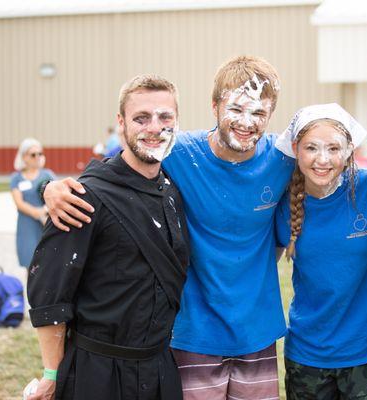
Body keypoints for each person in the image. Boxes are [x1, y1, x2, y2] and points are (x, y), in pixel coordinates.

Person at [41, 56, 294, 399]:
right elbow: (123, 162)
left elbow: (329, 160)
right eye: (236, 109)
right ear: (214, 106)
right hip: (192, 331)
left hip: (257, 332)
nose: (247, 122)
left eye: (259, 113)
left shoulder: (282, 158)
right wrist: (50, 188)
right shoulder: (177, 150)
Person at [25, 75, 190, 400]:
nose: (155, 127)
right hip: (97, 373)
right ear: (121, 122)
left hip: (159, 369)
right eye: (141, 118)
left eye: (165, 117)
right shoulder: (85, 196)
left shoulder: (172, 189)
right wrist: (50, 374)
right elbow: (49, 294)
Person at [274, 104, 367, 399]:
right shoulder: (283, 205)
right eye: (311, 148)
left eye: (333, 148)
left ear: (349, 150)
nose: (322, 159)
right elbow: (255, 262)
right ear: (295, 149)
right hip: (307, 355)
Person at [10, 138, 55, 269]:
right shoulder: (16, 178)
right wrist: (38, 212)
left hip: (46, 224)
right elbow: (19, 203)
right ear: (24, 157)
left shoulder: (48, 175)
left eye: (40, 153)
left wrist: (45, 211)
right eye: (33, 154)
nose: (37, 157)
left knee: (48, 262)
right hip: (27, 225)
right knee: (31, 264)